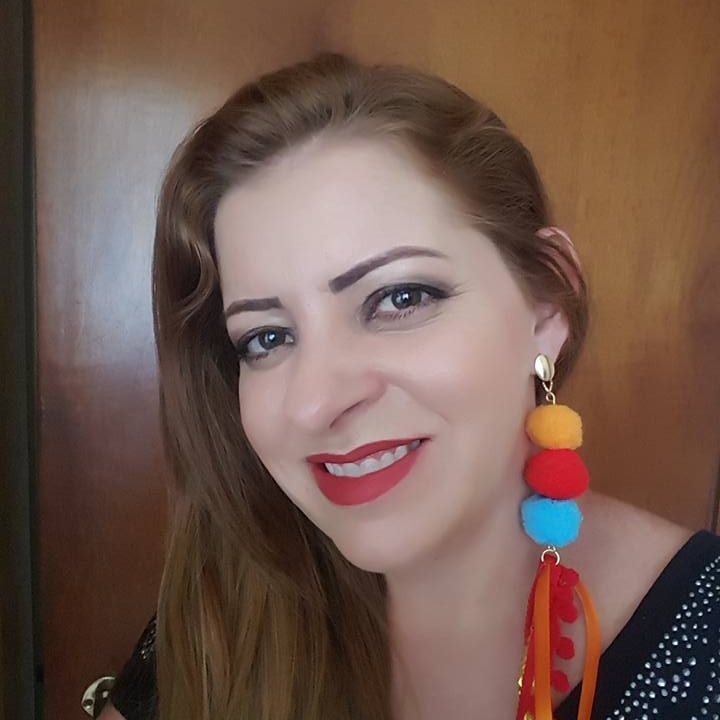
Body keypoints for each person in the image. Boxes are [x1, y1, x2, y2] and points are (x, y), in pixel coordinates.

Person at [99, 52, 720, 720]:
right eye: (267, 338)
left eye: (399, 299)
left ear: (546, 305)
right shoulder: (224, 620)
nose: (316, 403)